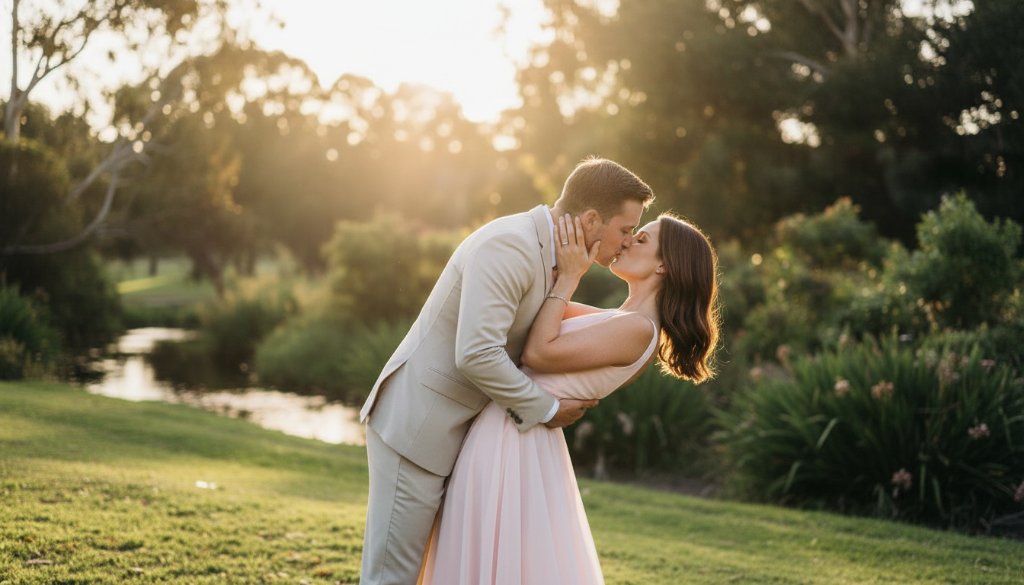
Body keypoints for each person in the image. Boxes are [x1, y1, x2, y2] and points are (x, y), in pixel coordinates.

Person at [359, 157, 656, 585]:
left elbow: (598, 329)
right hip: (418, 430)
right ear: (592, 219)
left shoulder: (558, 259)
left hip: (457, 437)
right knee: (393, 578)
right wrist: (549, 409)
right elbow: (477, 353)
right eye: (625, 230)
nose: (626, 242)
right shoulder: (511, 246)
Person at [418, 211, 721, 585]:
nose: (627, 241)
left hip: (514, 441)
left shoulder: (638, 330)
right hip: (516, 431)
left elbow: (538, 353)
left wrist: (573, 275)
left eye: (641, 239)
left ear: (664, 265)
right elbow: (537, 308)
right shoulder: (620, 319)